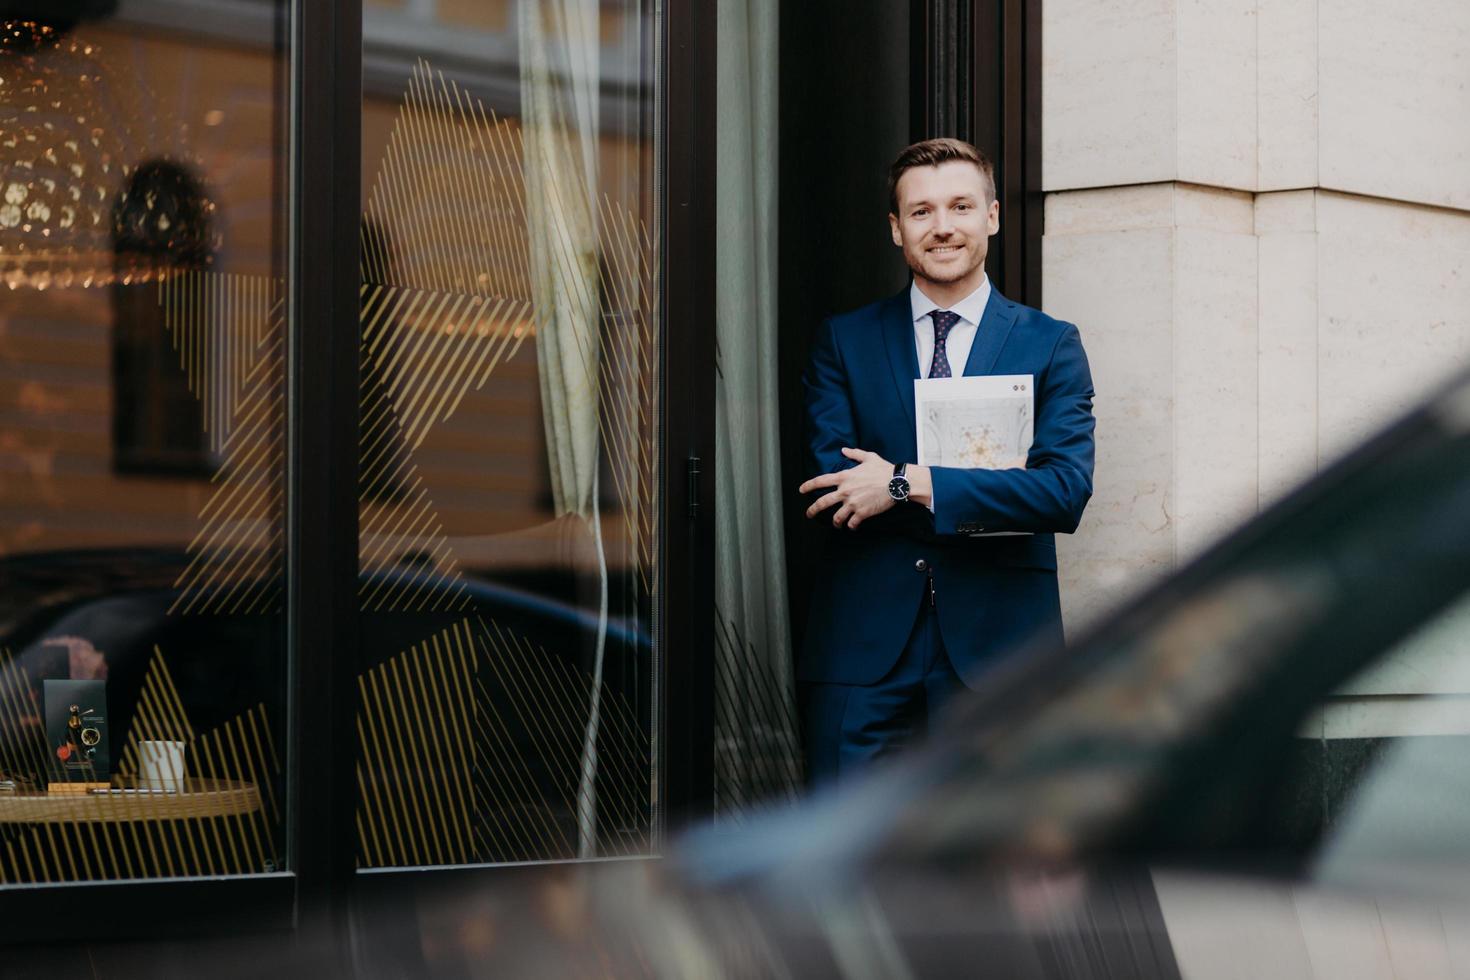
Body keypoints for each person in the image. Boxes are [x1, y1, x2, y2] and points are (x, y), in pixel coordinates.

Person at [797, 138, 1095, 784]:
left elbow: (1063, 492)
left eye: (960, 206)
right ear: (896, 230)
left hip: (1003, 653)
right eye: (921, 211)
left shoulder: (1051, 347)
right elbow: (836, 492)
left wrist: (907, 482)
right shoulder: (843, 343)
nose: (942, 227)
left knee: (994, 863)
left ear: (991, 216)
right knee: (852, 863)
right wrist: (996, 491)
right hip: (863, 653)